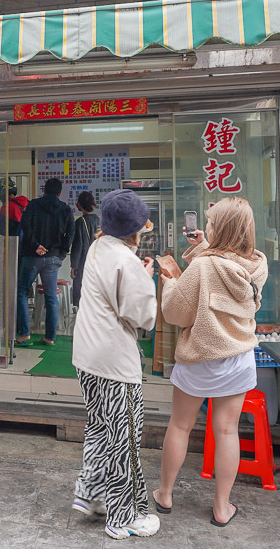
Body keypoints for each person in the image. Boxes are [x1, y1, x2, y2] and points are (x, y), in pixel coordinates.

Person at [153, 197, 269, 527]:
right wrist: (204, 245)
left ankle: (165, 494)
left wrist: (170, 283)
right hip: (238, 358)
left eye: (210, 223)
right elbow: (225, 266)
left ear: (221, 228)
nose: (206, 226)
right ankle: (221, 506)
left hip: (200, 358)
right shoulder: (255, 264)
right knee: (227, 431)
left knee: (180, 425)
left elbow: (177, 312)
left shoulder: (203, 268)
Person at [71, 189, 160, 539]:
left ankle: (90, 493)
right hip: (113, 362)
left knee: (99, 427)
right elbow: (144, 317)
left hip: (87, 356)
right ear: (134, 232)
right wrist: (148, 278)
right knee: (123, 440)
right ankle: (123, 518)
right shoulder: (127, 263)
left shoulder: (98, 247)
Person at [16, 177, 75, 346]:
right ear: (59, 192)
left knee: (22, 291)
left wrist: (36, 246)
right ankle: (50, 337)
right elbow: (70, 234)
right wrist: (61, 253)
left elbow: (25, 227)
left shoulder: (33, 205)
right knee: (51, 297)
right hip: (53, 258)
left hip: (32, 257)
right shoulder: (65, 210)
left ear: (44, 190)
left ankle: (25, 334)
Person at [70, 191, 100, 308]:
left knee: (83, 295)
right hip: (99, 263)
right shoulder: (100, 220)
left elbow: (78, 246)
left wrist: (74, 267)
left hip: (84, 263)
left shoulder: (80, 222)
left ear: (80, 205)